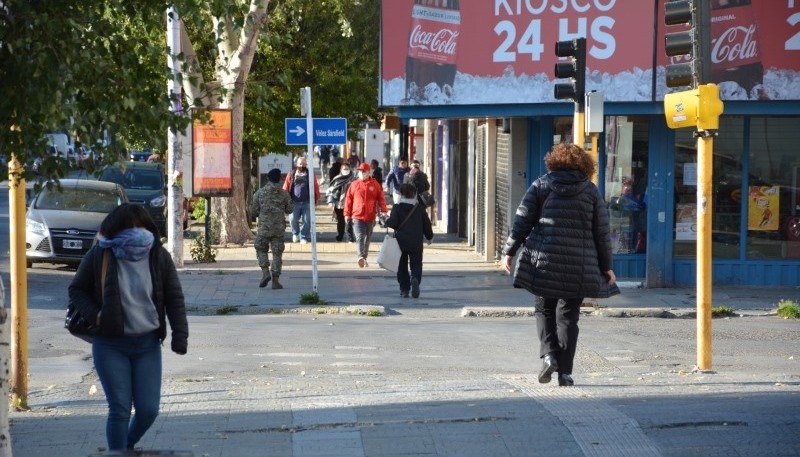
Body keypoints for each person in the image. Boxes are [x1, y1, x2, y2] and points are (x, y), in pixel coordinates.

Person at [68, 203, 188, 451]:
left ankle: (124, 447)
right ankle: (118, 452)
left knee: (148, 410)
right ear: (113, 232)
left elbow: (175, 298)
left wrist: (180, 335)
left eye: (140, 228)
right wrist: (97, 316)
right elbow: (76, 290)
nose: (135, 234)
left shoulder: (158, 255)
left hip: (147, 345)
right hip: (110, 344)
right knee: (120, 408)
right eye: (127, 230)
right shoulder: (101, 254)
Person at [502, 143, 618, 388]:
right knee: (568, 317)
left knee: (544, 309)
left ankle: (549, 355)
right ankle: (565, 374)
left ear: (553, 161)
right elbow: (602, 232)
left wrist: (509, 252)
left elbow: (521, 221)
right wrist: (607, 266)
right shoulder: (591, 191)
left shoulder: (541, 185)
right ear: (584, 165)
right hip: (579, 265)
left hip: (544, 261)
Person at [386, 183, 434, 298]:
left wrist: (386, 221)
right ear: (414, 194)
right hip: (416, 242)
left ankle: (404, 289)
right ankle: (415, 278)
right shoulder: (420, 208)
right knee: (416, 264)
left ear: (401, 194)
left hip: (400, 242)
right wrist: (429, 237)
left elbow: (392, 223)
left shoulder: (397, 207)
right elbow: (427, 225)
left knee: (401, 267)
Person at [251, 168, 294, 289]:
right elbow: (290, 210)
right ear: (279, 179)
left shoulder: (259, 193)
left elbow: (253, 211)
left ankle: (265, 272)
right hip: (278, 228)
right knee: (277, 253)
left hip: (264, 228)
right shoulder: (284, 194)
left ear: (268, 179)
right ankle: (275, 281)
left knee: (260, 248)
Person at [344, 162, 388, 268]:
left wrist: (384, 210)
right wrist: (346, 214)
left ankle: (364, 258)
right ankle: (360, 257)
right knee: (360, 237)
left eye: (363, 171)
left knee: (367, 238)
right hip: (357, 216)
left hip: (370, 216)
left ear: (368, 172)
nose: (361, 173)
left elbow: (381, 198)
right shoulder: (354, 184)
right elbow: (348, 200)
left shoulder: (375, 184)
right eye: (360, 171)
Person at [282, 155, 320, 243]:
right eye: (300, 164)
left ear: (306, 164)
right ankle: (295, 233)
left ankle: (304, 236)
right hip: (294, 201)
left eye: (303, 164)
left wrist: (317, 198)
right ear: (296, 164)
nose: (302, 165)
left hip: (307, 202)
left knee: (307, 220)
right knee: (293, 219)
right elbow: (285, 187)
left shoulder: (310, 174)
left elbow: (315, 186)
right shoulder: (291, 174)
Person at [326, 162, 356, 242]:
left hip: (351, 204)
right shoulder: (337, 179)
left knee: (349, 221)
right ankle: (340, 235)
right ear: (341, 170)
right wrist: (330, 201)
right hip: (339, 204)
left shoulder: (354, 179)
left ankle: (350, 237)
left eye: (347, 169)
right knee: (341, 221)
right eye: (344, 169)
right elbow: (331, 191)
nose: (346, 170)